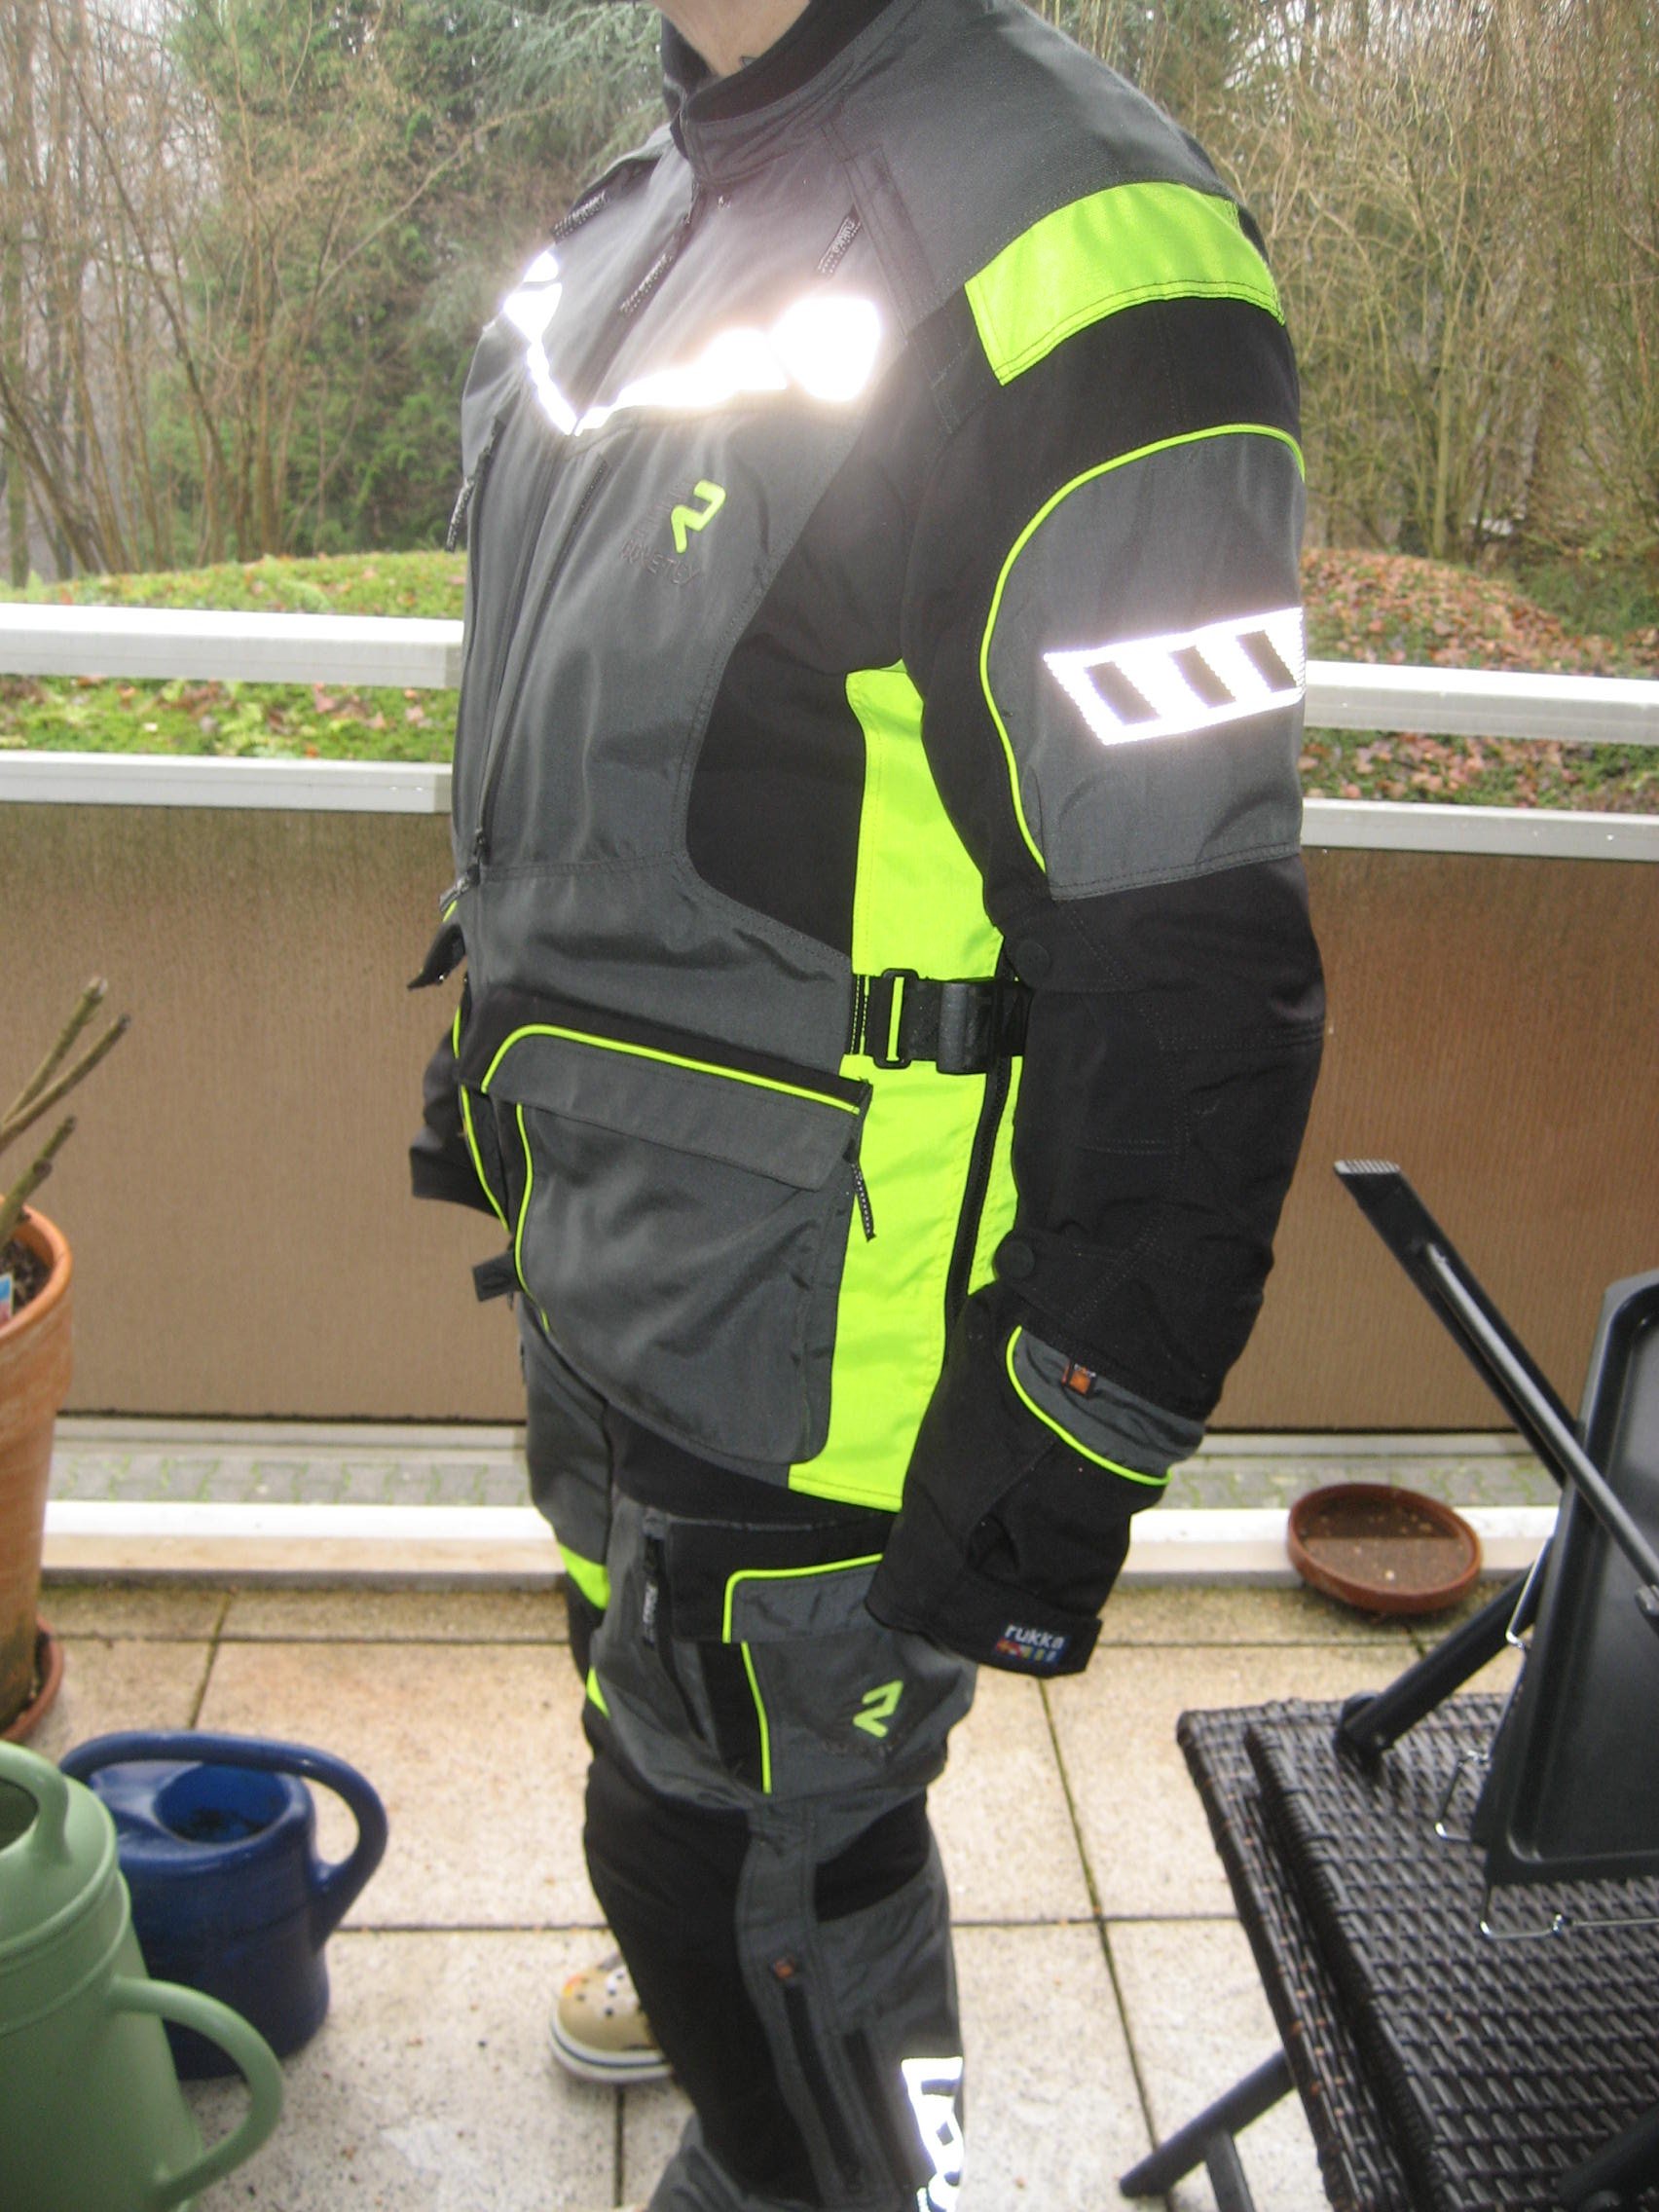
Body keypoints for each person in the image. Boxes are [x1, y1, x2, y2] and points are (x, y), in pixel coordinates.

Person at [411, 1, 1326, 2205]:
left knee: (762, 1880)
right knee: (671, 1763)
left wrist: (1073, 1428)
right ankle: (757, 2083)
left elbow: (1193, 962)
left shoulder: (1077, 244)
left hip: (836, 1344)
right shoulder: (641, 213)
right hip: (612, 1251)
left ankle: (843, 2156)